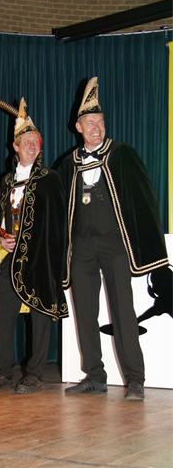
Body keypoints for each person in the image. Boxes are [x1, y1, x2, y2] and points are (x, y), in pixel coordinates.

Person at [59, 77, 169, 401]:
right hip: (82, 247)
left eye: (100, 122)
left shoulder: (123, 155)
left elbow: (145, 199)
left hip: (115, 245)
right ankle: (95, 376)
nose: (96, 128)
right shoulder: (68, 164)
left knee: (123, 310)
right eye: (90, 123)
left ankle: (135, 379)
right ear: (78, 127)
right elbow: (57, 207)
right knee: (84, 312)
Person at [0, 99, 68, 393]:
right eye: (27, 142)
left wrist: (54, 261)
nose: (32, 146)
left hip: (39, 257)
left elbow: (58, 224)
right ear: (15, 146)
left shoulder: (50, 179)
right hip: (10, 257)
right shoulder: (6, 181)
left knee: (39, 315)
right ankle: (4, 370)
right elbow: (3, 217)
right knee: (3, 314)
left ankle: (34, 373)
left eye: (36, 142)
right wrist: (2, 237)